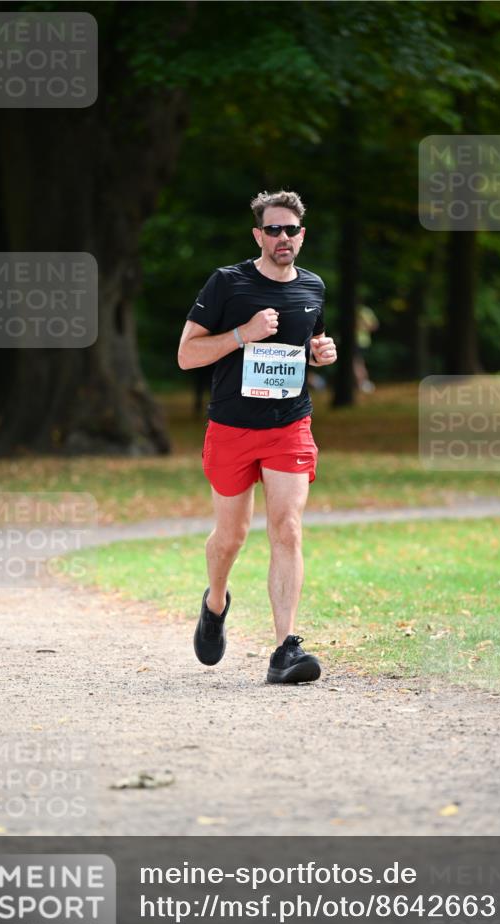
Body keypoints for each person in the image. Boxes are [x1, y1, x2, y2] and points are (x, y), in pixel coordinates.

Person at [177, 190, 337, 684]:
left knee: (287, 527)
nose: (283, 237)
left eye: (291, 229)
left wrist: (319, 353)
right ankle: (215, 601)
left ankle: (285, 649)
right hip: (232, 428)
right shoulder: (229, 283)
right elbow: (187, 355)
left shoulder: (313, 287)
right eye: (273, 229)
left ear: (302, 235)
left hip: (290, 426)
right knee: (231, 538)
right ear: (258, 235)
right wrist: (243, 333)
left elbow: (304, 347)